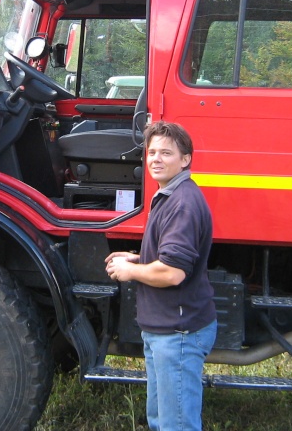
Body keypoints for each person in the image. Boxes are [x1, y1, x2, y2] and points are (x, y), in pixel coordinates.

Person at [105, 120, 216, 431]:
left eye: (166, 153)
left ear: (185, 159)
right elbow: (173, 256)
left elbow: (173, 273)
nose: (155, 158)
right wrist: (139, 258)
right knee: (160, 421)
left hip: (177, 332)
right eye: (151, 152)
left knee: (175, 425)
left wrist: (130, 270)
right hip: (165, 330)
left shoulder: (182, 204)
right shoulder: (171, 195)